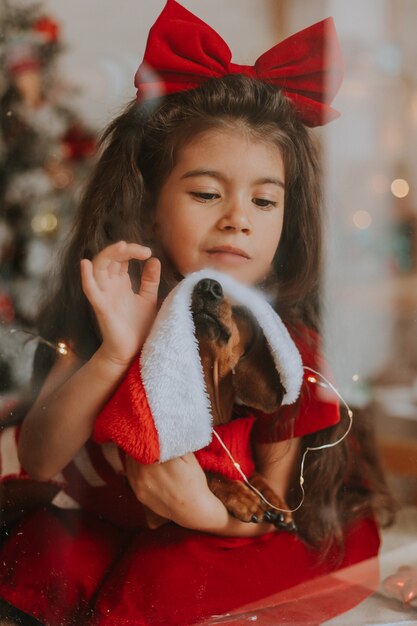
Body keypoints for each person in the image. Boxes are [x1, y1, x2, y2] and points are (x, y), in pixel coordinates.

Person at [0, 1, 396, 625]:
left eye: (265, 202)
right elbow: (43, 459)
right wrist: (113, 352)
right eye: (207, 193)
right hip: (122, 514)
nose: (237, 216)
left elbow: (277, 503)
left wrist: (204, 514)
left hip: (250, 527)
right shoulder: (118, 306)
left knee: (158, 582)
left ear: (288, 222)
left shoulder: (284, 347)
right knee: (42, 556)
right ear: (150, 204)